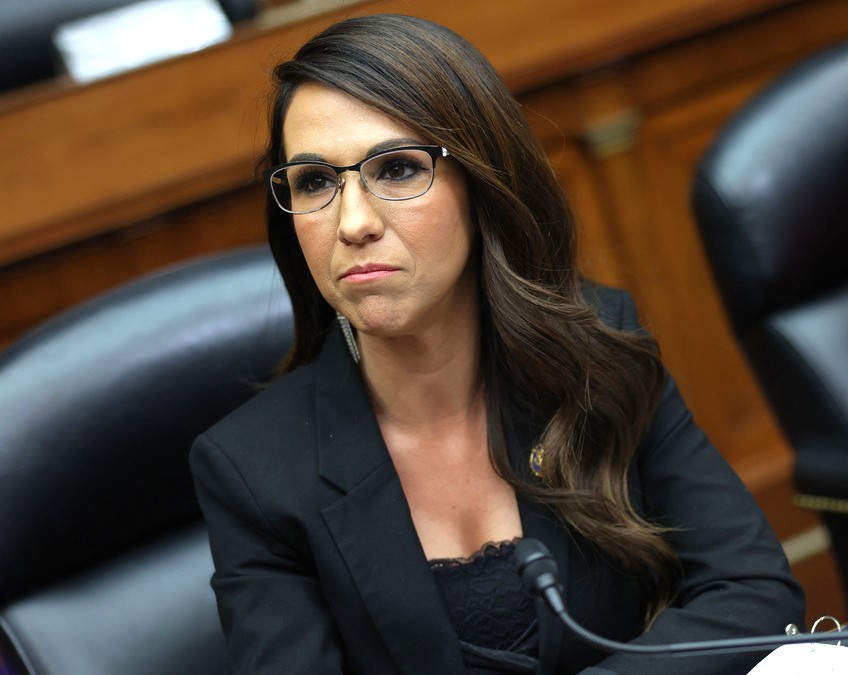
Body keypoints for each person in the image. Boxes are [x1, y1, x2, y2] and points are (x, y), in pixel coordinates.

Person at [189, 13, 804, 675]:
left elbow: (753, 591)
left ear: (480, 183)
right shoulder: (252, 470)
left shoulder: (594, 352)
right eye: (314, 182)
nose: (354, 222)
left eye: (396, 168)